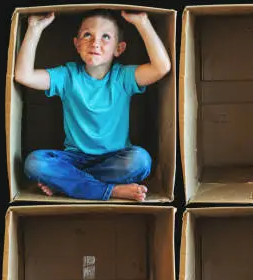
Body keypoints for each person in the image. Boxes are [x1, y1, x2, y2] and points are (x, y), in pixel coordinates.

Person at [14, 9, 171, 201]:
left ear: (119, 49)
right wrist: (34, 28)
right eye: (87, 34)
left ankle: (67, 185)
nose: (95, 42)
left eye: (106, 37)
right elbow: (23, 75)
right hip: (74, 160)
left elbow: (161, 67)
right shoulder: (68, 76)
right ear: (77, 44)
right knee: (35, 163)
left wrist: (142, 23)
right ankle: (111, 191)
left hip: (115, 159)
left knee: (141, 161)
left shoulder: (123, 77)